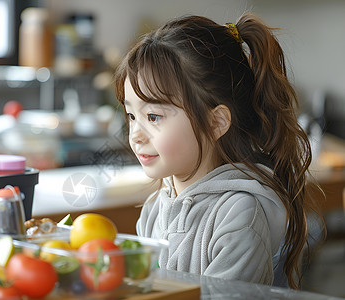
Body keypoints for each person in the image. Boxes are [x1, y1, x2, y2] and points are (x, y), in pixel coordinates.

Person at [113, 13, 324, 289]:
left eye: (153, 116)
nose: (136, 135)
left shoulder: (240, 216)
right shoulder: (154, 210)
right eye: (131, 116)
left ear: (216, 122)